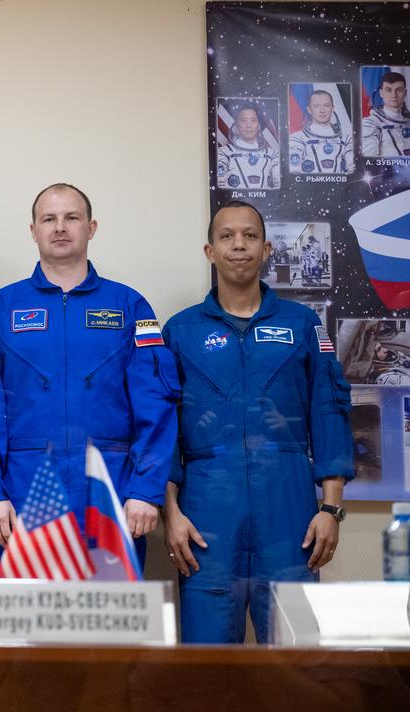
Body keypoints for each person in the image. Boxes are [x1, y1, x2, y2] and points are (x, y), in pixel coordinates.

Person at [162, 201, 352, 643]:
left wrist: (331, 508)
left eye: (249, 236)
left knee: (298, 658)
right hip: (207, 509)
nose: (239, 245)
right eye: (227, 236)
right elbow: (163, 432)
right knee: (206, 662)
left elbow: (329, 410)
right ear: (210, 251)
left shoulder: (303, 325)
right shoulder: (181, 331)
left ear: (267, 249)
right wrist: (170, 513)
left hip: (288, 507)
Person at [0, 183, 178, 562]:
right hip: (26, 493)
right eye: (49, 218)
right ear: (33, 230)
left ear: (91, 228)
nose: (60, 227)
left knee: (109, 616)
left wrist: (145, 491)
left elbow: (156, 407)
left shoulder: (130, 306)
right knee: (27, 618)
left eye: (72, 218)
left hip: (109, 494)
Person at [288, 89, 354, 174]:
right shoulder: (298, 139)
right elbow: (294, 172)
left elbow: (353, 170)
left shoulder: (346, 139)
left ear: (333, 108)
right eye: (316, 106)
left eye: (326, 105)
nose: (322, 110)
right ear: (309, 109)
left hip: (340, 186)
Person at [217, 104, 280, 189]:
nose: (248, 125)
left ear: (259, 126)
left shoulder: (272, 154)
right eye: (244, 120)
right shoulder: (223, 153)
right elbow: (219, 189)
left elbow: (279, 187)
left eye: (253, 120)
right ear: (236, 126)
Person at [361, 71, 410, 157]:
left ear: (405, 93)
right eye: (388, 90)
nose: (394, 95)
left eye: (399, 90)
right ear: (381, 93)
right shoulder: (370, 124)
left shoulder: (407, 122)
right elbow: (371, 163)